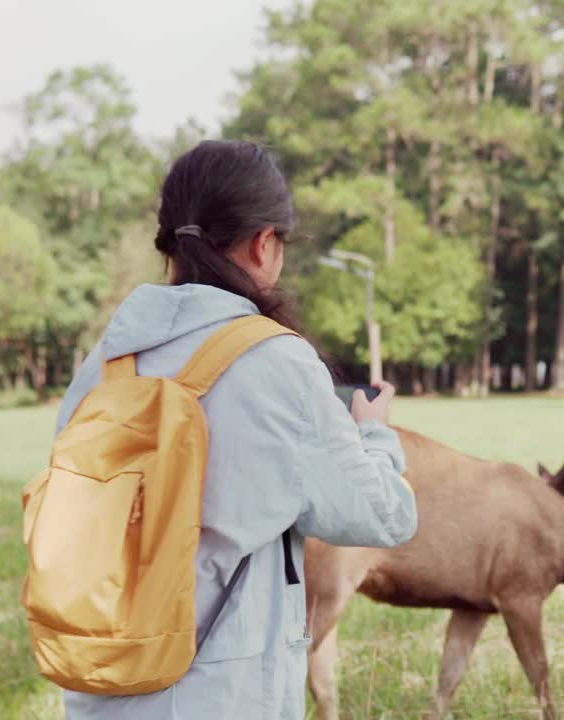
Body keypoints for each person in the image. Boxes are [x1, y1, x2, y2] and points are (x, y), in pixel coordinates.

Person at [55, 140, 418, 719]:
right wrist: (373, 433)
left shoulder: (102, 364)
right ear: (264, 243)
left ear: (169, 243)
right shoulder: (277, 362)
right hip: (226, 695)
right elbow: (384, 515)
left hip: (102, 685)